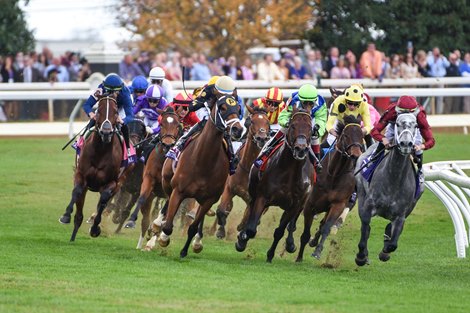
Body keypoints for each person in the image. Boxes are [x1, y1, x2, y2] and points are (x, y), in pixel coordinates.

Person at [166, 76, 239, 174]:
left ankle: (232, 159)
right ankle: (177, 147)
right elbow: (193, 106)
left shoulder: (233, 92)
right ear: (215, 90)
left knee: (226, 133)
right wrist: (198, 103)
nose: (225, 97)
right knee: (202, 123)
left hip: (222, 116)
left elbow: (238, 110)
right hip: (207, 113)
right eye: (222, 94)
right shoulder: (208, 90)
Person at [254, 84, 327, 171]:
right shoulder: (293, 100)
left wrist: (318, 130)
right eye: (305, 103)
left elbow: (321, 120)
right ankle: (266, 153)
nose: (308, 106)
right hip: (295, 119)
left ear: (315, 100)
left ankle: (316, 163)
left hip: (311, 121)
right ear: (300, 99)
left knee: (315, 137)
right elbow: (283, 116)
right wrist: (287, 123)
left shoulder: (321, 103)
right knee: (283, 129)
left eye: (310, 103)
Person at [370, 96, 435, 181]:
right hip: (395, 126)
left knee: (418, 146)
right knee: (385, 141)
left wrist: (421, 146)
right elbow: (374, 131)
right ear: (397, 110)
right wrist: (384, 140)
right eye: (402, 113)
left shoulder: (420, 116)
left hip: (412, 128)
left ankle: (419, 171)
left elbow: (431, 140)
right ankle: (372, 162)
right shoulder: (391, 111)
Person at [82, 73, 135, 156]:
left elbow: (130, 116)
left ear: (119, 89)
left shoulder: (125, 92)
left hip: (119, 110)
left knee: (123, 126)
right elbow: (87, 105)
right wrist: (91, 113)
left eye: (114, 92)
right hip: (104, 107)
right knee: (92, 122)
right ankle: (81, 141)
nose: (111, 94)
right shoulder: (101, 88)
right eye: (109, 91)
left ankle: (127, 149)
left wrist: (122, 120)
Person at [322, 84, 372, 151]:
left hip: (355, 128)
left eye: (356, 104)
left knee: (369, 139)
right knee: (328, 143)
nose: (352, 107)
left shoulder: (364, 105)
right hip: (339, 124)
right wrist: (334, 133)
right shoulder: (338, 101)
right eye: (350, 103)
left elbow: (368, 126)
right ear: (345, 100)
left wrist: (361, 131)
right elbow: (329, 124)